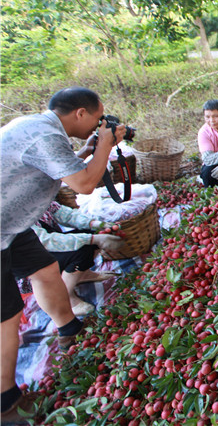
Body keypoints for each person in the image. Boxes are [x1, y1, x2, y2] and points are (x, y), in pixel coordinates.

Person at [1, 87, 127, 423]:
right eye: (98, 119)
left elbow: (63, 170)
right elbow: (84, 185)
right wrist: (103, 144)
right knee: (8, 314)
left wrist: (91, 148)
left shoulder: (39, 127)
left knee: (44, 270)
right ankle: (5, 399)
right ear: (80, 114)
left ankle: (68, 328)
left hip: (13, 224)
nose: (99, 126)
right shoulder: (44, 135)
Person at [32, 202, 125, 317]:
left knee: (90, 234)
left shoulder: (40, 199)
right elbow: (47, 241)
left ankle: (83, 274)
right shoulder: (13, 216)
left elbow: (68, 215)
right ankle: (67, 298)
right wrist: (92, 239)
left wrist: (96, 224)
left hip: (53, 247)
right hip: (37, 261)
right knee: (81, 252)